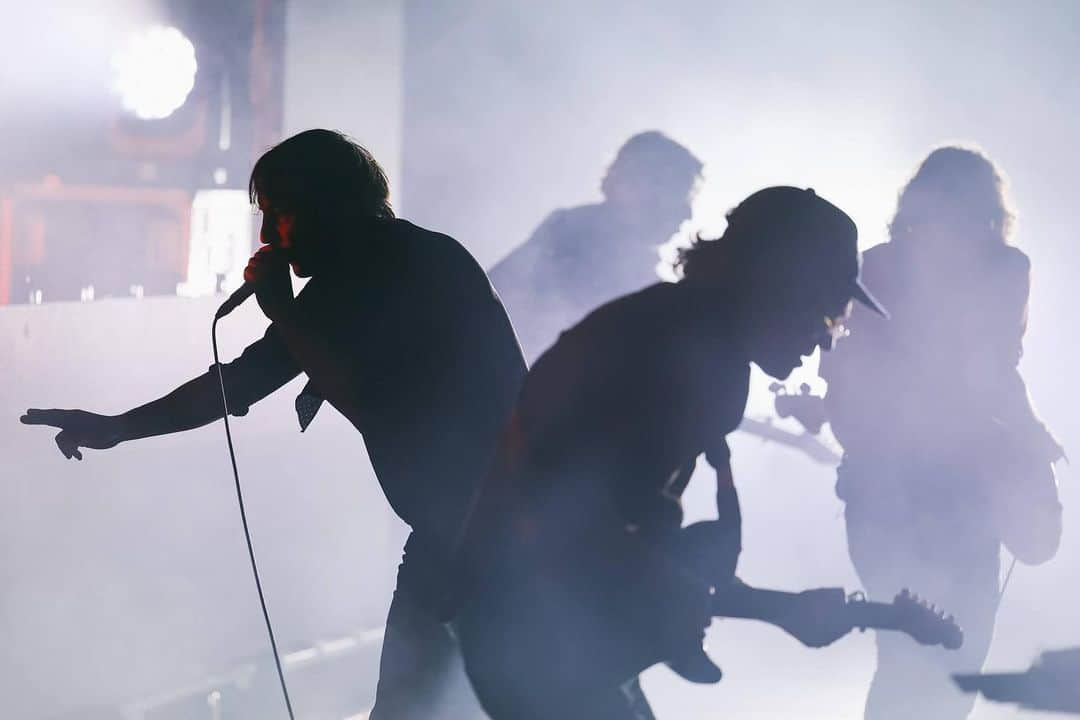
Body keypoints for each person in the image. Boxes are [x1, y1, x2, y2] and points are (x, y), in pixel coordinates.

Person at [20, 129, 526, 720]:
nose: (266, 236)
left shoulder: (414, 264)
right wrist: (118, 427)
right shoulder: (344, 285)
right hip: (453, 539)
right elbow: (241, 380)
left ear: (329, 204)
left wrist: (283, 310)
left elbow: (370, 401)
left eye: (279, 214)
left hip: (508, 536)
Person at [452, 186, 887, 719]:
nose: (826, 339)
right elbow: (565, 514)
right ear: (778, 284)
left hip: (540, 622)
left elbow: (622, 536)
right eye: (824, 313)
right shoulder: (688, 354)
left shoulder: (690, 336)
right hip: (531, 627)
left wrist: (776, 610)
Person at [817, 146, 1064, 720]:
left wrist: (1029, 435)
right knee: (942, 650)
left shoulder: (892, 263)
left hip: (912, 483)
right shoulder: (999, 268)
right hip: (927, 483)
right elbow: (997, 370)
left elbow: (998, 368)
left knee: (923, 650)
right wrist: (1023, 439)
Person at [489, 130, 703, 362]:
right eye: (679, 193)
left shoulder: (568, 232)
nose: (686, 212)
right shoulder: (569, 234)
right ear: (633, 184)